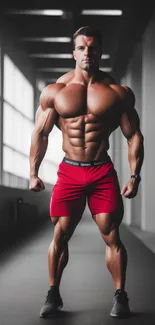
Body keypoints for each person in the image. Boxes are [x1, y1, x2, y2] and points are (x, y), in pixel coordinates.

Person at [29, 26, 144, 318]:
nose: (87, 53)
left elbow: (134, 136)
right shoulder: (57, 91)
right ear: (74, 53)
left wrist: (134, 176)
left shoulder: (117, 92)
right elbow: (40, 133)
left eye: (92, 48)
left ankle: (120, 295)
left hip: (102, 171)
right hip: (70, 171)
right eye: (81, 48)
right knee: (61, 233)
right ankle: (53, 294)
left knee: (111, 233)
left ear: (100, 52)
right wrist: (33, 173)